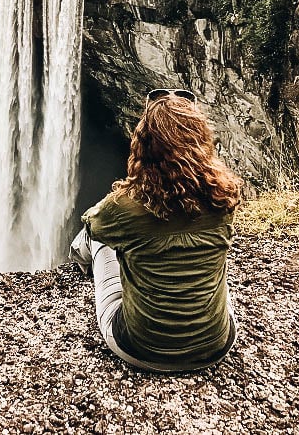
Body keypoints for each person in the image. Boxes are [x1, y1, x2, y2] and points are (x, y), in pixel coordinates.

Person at [70, 88, 242, 372]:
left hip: (139, 348)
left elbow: (92, 223)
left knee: (99, 239)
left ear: (144, 144)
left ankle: (79, 265)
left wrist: (134, 184)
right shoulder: (225, 197)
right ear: (201, 141)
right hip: (216, 345)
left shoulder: (124, 207)